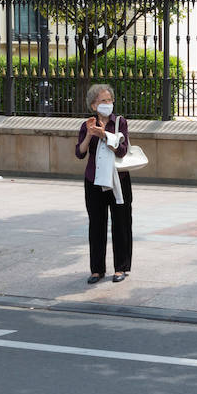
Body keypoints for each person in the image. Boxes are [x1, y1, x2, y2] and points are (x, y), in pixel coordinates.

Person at [75, 83, 133, 284]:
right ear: (93, 105)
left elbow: (122, 150)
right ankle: (97, 269)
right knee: (96, 225)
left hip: (118, 180)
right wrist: (91, 134)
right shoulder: (86, 125)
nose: (108, 104)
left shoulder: (119, 123)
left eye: (110, 100)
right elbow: (80, 153)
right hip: (94, 180)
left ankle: (121, 268)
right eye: (103, 101)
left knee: (121, 223)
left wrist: (105, 135)